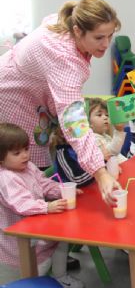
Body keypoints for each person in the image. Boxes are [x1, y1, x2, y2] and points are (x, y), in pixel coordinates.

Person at [0, 0, 120, 205]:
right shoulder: (63, 57)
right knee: (21, 166)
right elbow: (74, 121)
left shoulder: (65, 21)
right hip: (11, 97)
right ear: (77, 31)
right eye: (99, 37)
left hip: (29, 93)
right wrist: (100, 173)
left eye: (110, 35)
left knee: (32, 167)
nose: (106, 44)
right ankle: (23, 228)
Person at [0, 123, 83, 287]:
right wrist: (47, 207)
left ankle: (60, 276)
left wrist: (61, 190)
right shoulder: (6, 177)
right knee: (39, 265)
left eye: (25, 149)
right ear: (1, 159)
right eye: (17, 153)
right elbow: (21, 204)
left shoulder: (28, 167)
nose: (24, 155)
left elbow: (43, 184)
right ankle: (36, 282)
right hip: (20, 235)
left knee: (62, 239)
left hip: (37, 223)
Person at [53, 98, 126, 186]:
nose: (81, 128)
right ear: (62, 131)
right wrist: (100, 162)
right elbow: (77, 179)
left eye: (82, 125)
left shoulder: (86, 144)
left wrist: (107, 168)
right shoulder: (64, 152)